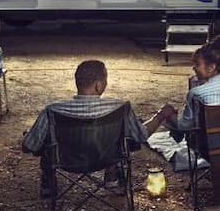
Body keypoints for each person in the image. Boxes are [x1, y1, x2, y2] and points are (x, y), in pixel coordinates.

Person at [21, 60, 177, 196]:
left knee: (47, 138)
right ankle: (113, 175)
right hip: (107, 158)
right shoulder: (119, 108)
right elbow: (140, 136)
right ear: (98, 85)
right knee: (122, 136)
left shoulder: (53, 110)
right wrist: (160, 115)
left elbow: (30, 145)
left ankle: (49, 184)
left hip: (66, 161)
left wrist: (31, 136)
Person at [168, 34, 220, 133]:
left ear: (211, 68)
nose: (194, 68)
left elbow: (185, 126)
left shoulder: (196, 93)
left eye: (197, 64)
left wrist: (169, 115)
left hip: (213, 143)